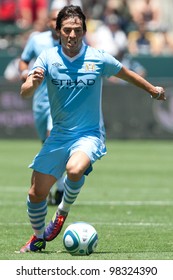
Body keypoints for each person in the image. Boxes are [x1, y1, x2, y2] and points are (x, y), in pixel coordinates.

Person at [19, 5, 166, 253]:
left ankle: (62, 212)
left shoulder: (97, 57)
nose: (72, 35)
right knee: (35, 194)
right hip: (59, 135)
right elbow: (24, 93)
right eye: (67, 30)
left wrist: (152, 90)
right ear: (59, 31)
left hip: (89, 134)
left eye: (77, 30)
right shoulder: (47, 58)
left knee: (74, 169)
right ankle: (37, 238)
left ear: (84, 31)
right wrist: (31, 84)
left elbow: (127, 74)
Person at [19, 8, 64, 205]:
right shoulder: (37, 40)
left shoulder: (72, 43)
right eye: (54, 19)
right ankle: (55, 187)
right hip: (40, 102)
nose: (57, 23)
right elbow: (23, 61)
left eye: (60, 20)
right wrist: (25, 74)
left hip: (61, 102)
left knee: (52, 140)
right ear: (48, 22)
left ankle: (60, 189)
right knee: (45, 144)